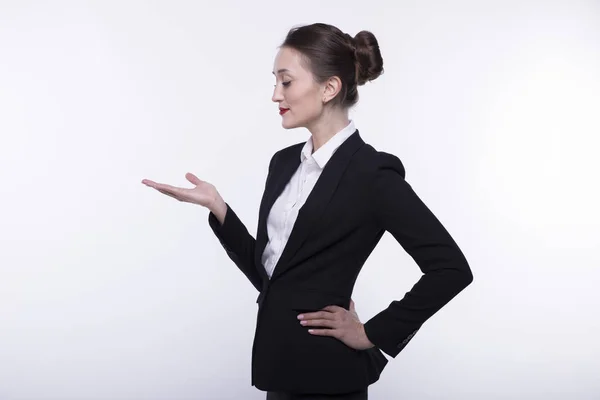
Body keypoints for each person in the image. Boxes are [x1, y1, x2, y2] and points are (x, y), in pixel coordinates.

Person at [142, 22, 473, 400]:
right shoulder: (283, 164)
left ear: (329, 88)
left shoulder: (373, 174)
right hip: (279, 371)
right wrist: (218, 207)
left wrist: (371, 332)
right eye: (275, 81)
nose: (274, 95)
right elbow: (274, 279)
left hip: (331, 378)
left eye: (286, 82)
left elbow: (450, 269)